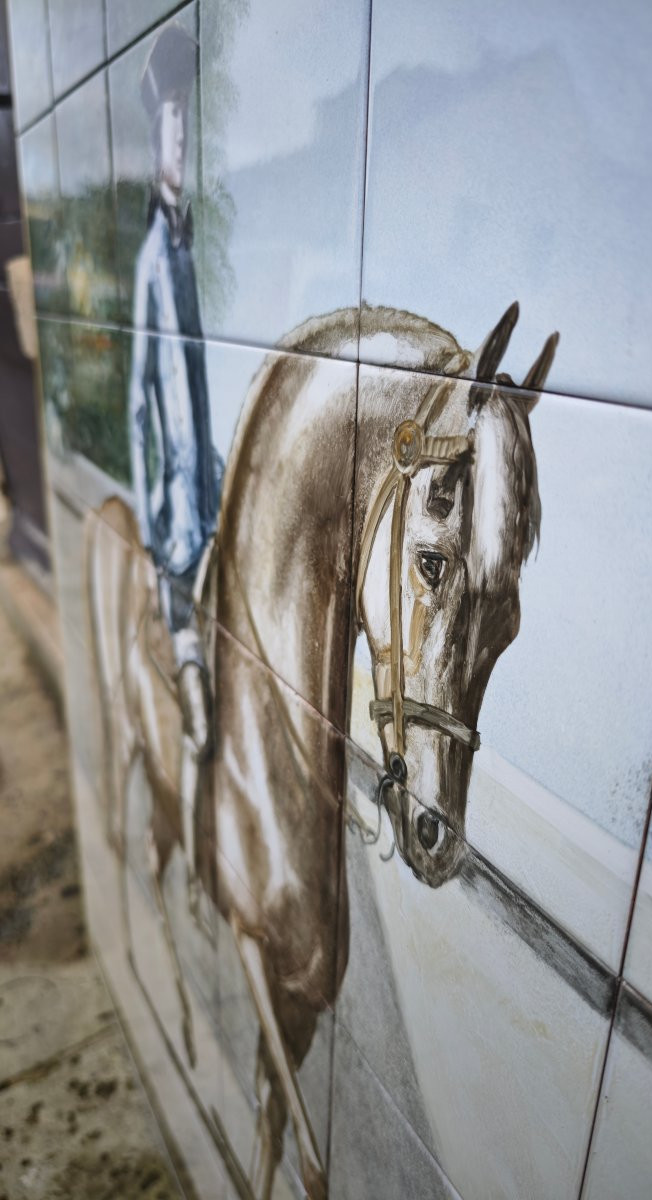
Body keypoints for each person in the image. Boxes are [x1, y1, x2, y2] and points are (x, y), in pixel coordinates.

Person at [129, 24, 223, 918]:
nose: (181, 143)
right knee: (199, 712)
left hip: (211, 490)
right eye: (171, 128)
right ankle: (196, 867)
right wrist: (154, 513)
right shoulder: (153, 260)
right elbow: (138, 405)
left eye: (188, 128)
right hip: (174, 516)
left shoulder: (189, 248)